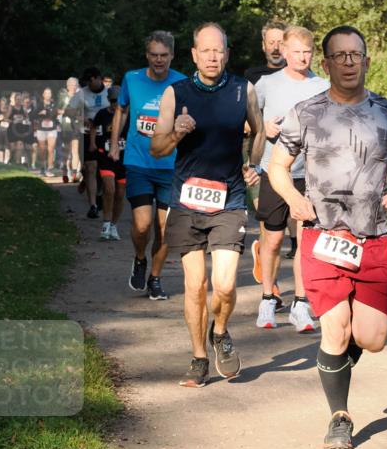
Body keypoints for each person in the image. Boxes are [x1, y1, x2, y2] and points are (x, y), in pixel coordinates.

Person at [268, 25, 387, 449]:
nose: (349, 62)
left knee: (371, 338)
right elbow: (278, 167)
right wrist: (293, 198)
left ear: (366, 61)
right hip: (323, 236)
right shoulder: (306, 112)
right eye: (340, 55)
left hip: (373, 237)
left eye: (356, 55)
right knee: (335, 327)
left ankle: (336, 360)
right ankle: (340, 418)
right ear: (326, 63)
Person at [151, 22, 264, 385]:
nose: (213, 56)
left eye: (219, 50)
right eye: (206, 50)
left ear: (227, 53)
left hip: (229, 199)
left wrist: (255, 164)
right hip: (186, 201)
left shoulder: (242, 90)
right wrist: (177, 132)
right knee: (195, 285)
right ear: (194, 54)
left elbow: (259, 131)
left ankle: (220, 331)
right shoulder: (175, 92)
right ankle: (199, 357)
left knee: (226, 285)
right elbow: (157, 148)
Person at [255, 25, 330, 332]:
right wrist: (263, 127)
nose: (302, 57)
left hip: (310, 174)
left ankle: (301, 303)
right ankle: (268, 299)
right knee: (272, 239)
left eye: (307, 52)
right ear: (283, 52)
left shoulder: (323, 86)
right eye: (296, 51)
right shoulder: (266, 84)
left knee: (305, 240)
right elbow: (246, 122)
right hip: (275, 171)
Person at [109, 31, 185, 300]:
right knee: (142, 226)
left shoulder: (182, 83)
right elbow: (121, 109)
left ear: (172, 56)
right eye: (154, 55)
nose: (158, 60)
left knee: (165, 229)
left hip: (171, 166)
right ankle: (140, 257)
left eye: (164, 55)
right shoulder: (132, 78)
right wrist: (114, 142)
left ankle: (155, 277)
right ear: (147, 56)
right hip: (139, 162)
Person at [244, 21, 287, 293]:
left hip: (294, 163)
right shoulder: (253, 76)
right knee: (270, 225)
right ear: (263, 46)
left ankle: (263, 255)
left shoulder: (302, 75)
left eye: (281, 42)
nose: (275, 47)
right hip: (261, 159)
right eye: (270, 42)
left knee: (284, 231)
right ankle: (271, 290)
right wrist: (262, 126)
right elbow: (242, 122)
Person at [68, 68, 109, 218]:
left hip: (105, 135)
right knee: (91, 168)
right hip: (86, 133)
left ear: (99, 78)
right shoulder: (82, 93)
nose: (89, 84)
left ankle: (97, 192)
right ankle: (93, 205)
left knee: (103, 171)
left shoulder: (108, 94)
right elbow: (69, 110)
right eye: (87, 81)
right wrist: (81, 117)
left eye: (91, 80)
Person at [94, 85, 128, 241]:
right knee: (109, 189)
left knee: (120, 194)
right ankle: (106, 224)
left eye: (119, 101)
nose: (116, 104)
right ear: (109, 100)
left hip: (124, 159)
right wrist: (93, 143)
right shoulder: (102, 114)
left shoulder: (129, 116)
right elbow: (93, 127)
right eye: (114, 101)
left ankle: (114, 225)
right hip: (106, 157)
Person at [35, 87, 59, 175]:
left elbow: (55, 114)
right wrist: (39, 113)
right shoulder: (39, 104)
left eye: (49, 93)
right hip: (41, 129)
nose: (48, 95)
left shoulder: (54, 104)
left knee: (51, 149)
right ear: (43, 95)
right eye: (46, 93)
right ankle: (42, 167)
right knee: (42, 149)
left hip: (52, 129)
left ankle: (50, 168)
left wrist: (49, 112)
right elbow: (33, 115)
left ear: (51, 94)